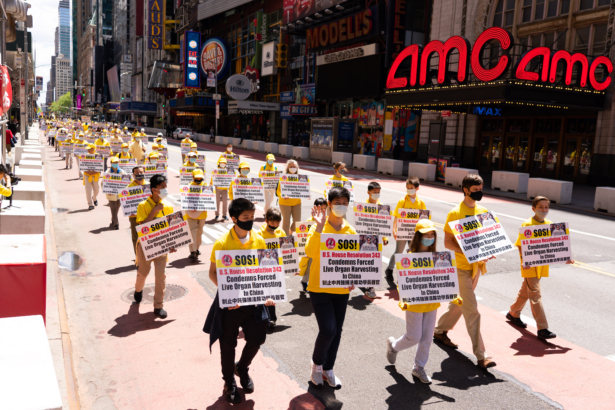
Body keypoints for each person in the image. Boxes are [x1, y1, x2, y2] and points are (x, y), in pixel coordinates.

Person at [204, 198, 274, 404]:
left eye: (252, 217)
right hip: (231, 304)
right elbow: (212, 273)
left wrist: (269, 293)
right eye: (246, 217)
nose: (250, 220)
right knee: (227, 344)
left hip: (253, 301)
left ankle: (241, 368)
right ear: (234, 219)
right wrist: (228, 294)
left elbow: (266, 271)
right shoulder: (222, 243)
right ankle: (229, 382)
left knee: (257, 338)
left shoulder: (259, 240)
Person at [386, 219, 460, 384]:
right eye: (426, 234)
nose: (429, 237)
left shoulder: (438, 257)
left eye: (432, 234)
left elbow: (444, 281)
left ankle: (418, 367)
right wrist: (402, 301)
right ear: (418, 236)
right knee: (413, 336)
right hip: (414, 304)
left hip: (431, 304)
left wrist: (454, 295)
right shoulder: (409, 257)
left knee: (426, 338)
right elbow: (402, 283)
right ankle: (393, 346)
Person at [433, 174, 496, 369]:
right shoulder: (455, 213)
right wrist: (467, 251)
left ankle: (439, 330)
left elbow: (488, 238)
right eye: (476, 190)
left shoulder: (484, 211)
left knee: (460, 303)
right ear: (466, 190)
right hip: (460, 267)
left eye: (481, 189)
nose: (479, 192)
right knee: (472, 310)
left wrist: (488, 250)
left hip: (476, 267)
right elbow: (448, 242)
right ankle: (481, 355)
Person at [305, 187, 356, 388]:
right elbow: (309, 252)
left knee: (337, 331)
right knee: (327, 329)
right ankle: (316, 365)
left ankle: (328, 369)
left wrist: (353, 277)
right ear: (329, 204)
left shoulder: (350, 231)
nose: (341, 206)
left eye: (345, 202)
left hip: (341, 291)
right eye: (337, 202)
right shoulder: (318, 226)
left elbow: (352, 260)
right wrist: (318, 228)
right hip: (318, 288)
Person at [507, 196, 574, 340]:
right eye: (541, 207)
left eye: (546, 207)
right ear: (533, 208)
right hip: (529, 266)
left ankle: (513, 313)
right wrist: (525, 260)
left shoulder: (550, 225)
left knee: (526, 291)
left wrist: (566, 257)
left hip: (541, 265)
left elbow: (556, 246)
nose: (544, 210)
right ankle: (542, 328)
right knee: (535, 295)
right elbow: (520, 245)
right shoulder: (527, 225)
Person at [133, 174, 175, 319]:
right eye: (161, 187)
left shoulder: (168, 207)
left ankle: (158, 306)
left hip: (161, 247)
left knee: (160, 277)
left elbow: (170, 229)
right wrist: (154, 211)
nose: (165, 189)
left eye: (165, 186)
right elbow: (142, 226)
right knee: (143, 274)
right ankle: (138, 290)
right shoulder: (143, 206)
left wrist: (172, 243)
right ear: (153, 189)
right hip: (145, 247)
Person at [386, 177, 427, 280]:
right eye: (407, 187)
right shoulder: (402, 201)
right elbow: (396, 215)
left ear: (417, 188)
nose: (409, 189)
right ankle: (390, 269)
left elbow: (424, 218)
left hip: (414, 232)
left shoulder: (421, 203)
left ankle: (409, 273)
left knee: (413, 252)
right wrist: (394, 229)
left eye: (411, 187)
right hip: (403, 230)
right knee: (398, 251)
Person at [258, 207, 285, 326]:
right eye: (272, 222)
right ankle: (265, 316)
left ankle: (272, 317)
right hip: (263, 268)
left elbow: (286, 250)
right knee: (265, 293)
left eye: (277, 222)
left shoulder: (281, 232)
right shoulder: (260, 234)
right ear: (266, 220)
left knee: (273, 293)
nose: (275, 224)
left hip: (276, 268)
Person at [276, 160, 302, 235]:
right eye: (291, 166)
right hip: (285, 203)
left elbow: (303, 189)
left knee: (297, 222)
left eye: (294, 166)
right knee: (286, 222)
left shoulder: (300, 177)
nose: (293, 168)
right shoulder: (283, 177)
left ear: (297, 167)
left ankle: (290, 234)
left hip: (297, 202)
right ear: (288, 168)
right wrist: (282, 195)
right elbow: (278, 191)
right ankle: (285, 239)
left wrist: (307, 194)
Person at [187, 169, 208, 260]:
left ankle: (197, 248)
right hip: (190, 214)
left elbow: (209, 199)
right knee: (192, 232)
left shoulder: (206, 187)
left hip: (202, 214)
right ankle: (193, 251)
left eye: (200, 178)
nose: (199, 179)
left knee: (199, 233)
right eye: (197, 177)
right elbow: (185, 200)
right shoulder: (188, 187)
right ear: (193, 177)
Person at [127, 166, 148, 254]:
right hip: (135, 217)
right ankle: (138, 258)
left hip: (148, 216)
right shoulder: (129, 188)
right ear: (133, 175)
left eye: (141, 172)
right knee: (136, 238)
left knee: (148, 237)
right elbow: (127, 204)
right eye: (137, 173)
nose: (139, 174)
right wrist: (129, 212)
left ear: (144, 173)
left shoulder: (149, 185)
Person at [105, 157, 126, 230]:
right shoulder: (107, 172)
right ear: (111, 163)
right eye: (113, 163)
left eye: (116, 163)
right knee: (113, 208)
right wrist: (107, 190)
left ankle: (113, 219)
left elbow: (126, 182)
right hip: (111, 195)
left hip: (120, 195)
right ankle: (116, 224)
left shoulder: (122, 172)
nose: (115, 164)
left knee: (117, 208)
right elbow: (103, 183)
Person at [83, 144, 101, 210]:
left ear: (93, 149)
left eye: (89, 149)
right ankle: (90, 204)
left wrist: (94, 172)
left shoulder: (98, 156)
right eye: (88, 149)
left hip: (96, 175)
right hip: (87, 175)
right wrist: (88, 172)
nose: (88, 150)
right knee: (88, 191)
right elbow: (83, 166)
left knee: (97, 189)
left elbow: (100, 167)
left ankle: (94, 198)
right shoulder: (85, 156)